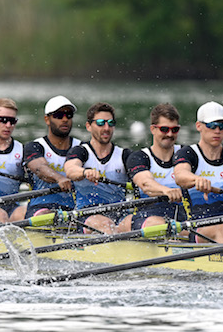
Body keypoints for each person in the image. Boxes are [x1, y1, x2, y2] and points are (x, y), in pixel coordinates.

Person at [174, 101, 223, 243]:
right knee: (222, 227)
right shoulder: (188, 153)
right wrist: (197, 180)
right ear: (199, 126)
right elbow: (180, 175)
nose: (217, 130)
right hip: (198, 228)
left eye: (222, 126)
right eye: (212, 125)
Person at [64, 102, 133, 234]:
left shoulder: (124, 155)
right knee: (107, 225)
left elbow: (141, 176)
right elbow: (70, 170)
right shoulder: (80, 151)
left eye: (110, 123)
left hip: (120, 214)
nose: (106, 128)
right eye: (101, 123)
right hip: (87, 215)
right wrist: (85, 172)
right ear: (88, 126)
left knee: (135, 222)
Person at [125, 103, 186, 230]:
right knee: (162, 225)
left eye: (174, 130)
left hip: (182, 219)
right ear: (153, 129)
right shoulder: (139, 157)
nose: (170, 134)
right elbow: (146, 184)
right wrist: (166, 191)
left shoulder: (187, 154)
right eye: (164, 129)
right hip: (146, 218)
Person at [23, 95, 81, 218]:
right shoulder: (35, 147)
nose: (65, 119)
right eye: (59, 115)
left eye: (69, 115)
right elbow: (39, 168)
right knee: (48, 215)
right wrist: (59, 179)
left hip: (74, 210)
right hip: (40, 208)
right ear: (47, 119)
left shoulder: (81, 148)